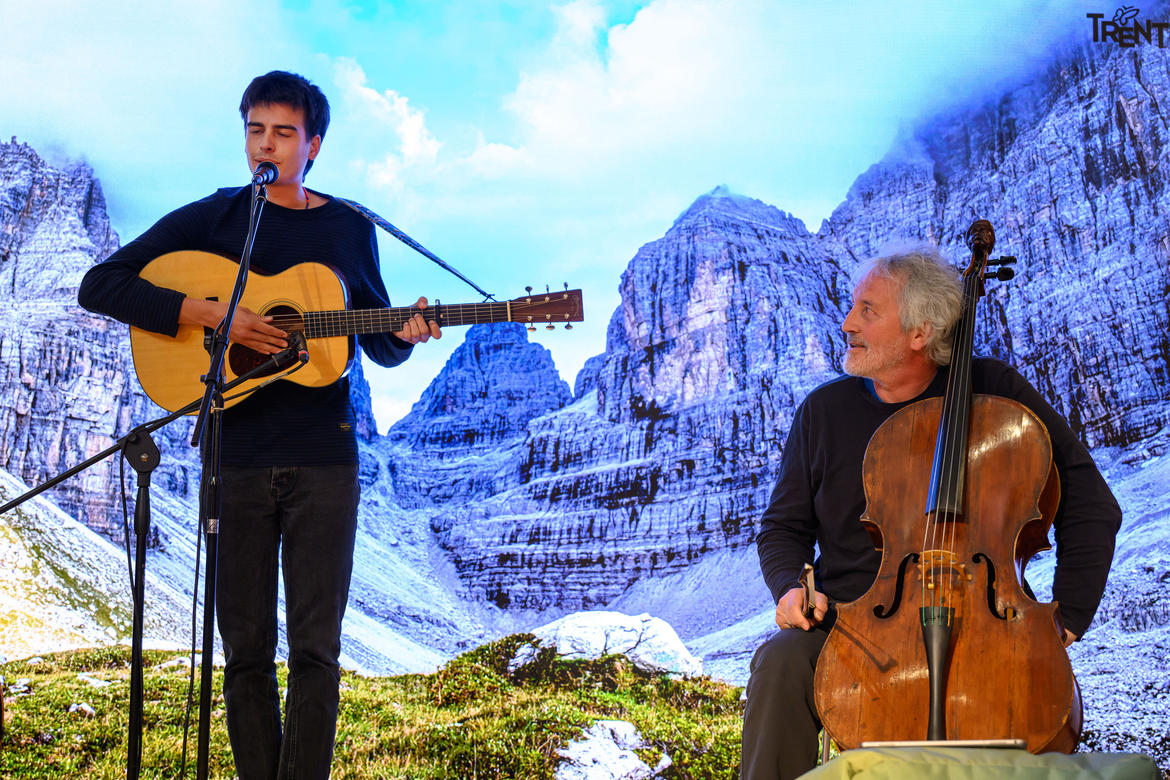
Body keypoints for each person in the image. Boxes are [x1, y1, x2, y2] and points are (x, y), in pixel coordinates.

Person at [78, 70, 440, 780]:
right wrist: (215, 313)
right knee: (244, 651)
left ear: (314, 146)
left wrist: (408, 332)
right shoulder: (214, 221)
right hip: (235, 455)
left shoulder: (347, 226)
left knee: (316, 651)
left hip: (323, 461)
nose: (265, 144)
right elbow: (102, 284)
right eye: (255, 129)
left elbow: (378, 341)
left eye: (283, 131)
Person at [739, 246, 1121, 780]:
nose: (847, 323)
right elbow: (783, 528)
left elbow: (1091, 504)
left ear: (921, 332)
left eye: (868, 310)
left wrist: (1067, 620)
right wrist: (788, 587)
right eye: (853, 307)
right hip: (855, 631)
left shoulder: (997, 392)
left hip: (987, 626)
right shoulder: (822, 413)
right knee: (780, 661)